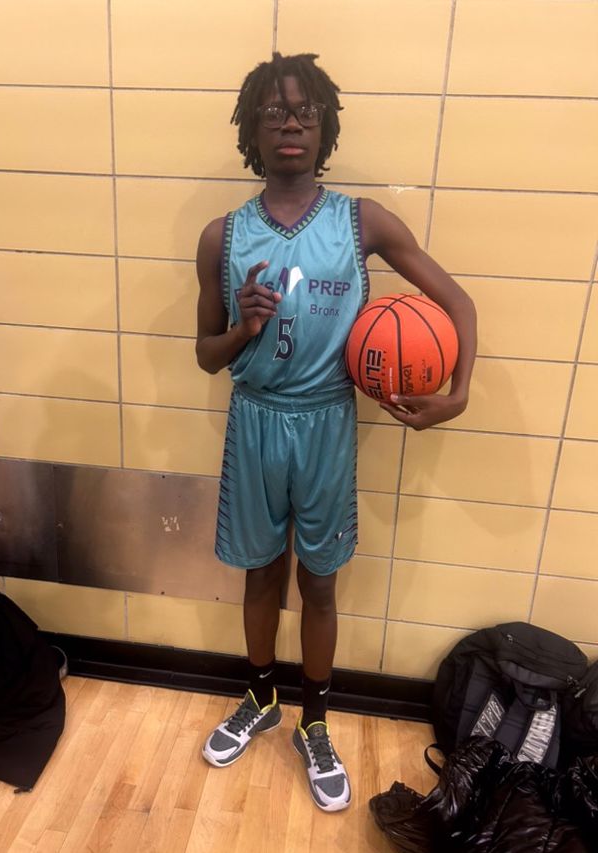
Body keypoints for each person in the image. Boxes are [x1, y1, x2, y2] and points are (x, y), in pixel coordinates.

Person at [195, 53, 477, 812]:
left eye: (305, 111)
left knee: (318, 581)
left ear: (325, 128)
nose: (290, 123)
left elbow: (458, 303)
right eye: (274, 111)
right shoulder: (223, 237)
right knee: (261, 573)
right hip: (256, 418)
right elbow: (206, 356)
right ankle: (261, 698)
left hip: (326, 420)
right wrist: (243, 328)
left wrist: (456, 393)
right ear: (252, 130)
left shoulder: (361, 221)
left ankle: (314, 722)